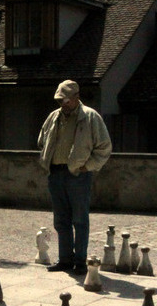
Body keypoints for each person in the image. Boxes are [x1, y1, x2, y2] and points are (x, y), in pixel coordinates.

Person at [37, 80, 112, 275]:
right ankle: (65, 260)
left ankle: (80, 261)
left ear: (77, 97)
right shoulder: (54, 117)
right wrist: (47, 158)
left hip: (78, 174)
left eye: (66, 101)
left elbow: (104, 147)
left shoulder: (90, 117)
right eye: (60, 101)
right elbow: (41, 140)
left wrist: (88, 166)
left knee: (79, 219)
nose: (63, 104)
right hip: (55, 173)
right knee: (61, 219)